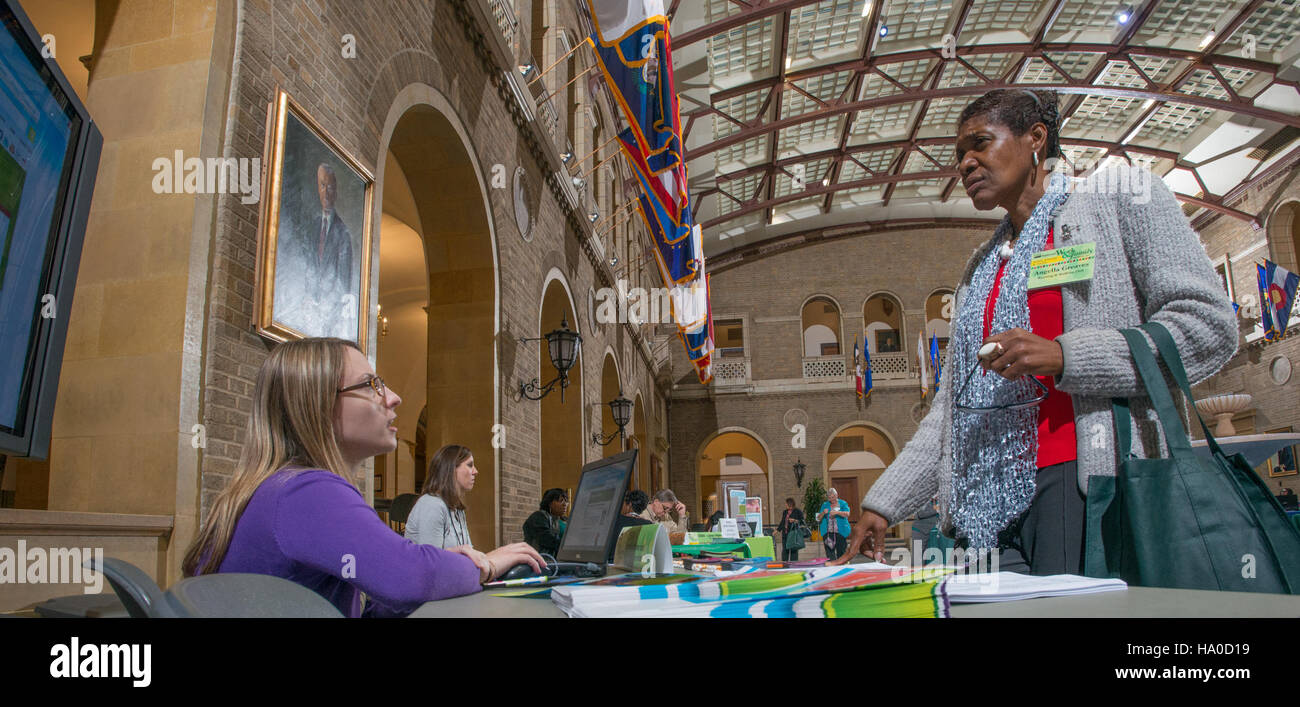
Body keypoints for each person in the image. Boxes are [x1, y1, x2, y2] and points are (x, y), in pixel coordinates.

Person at [832, 89, 1236, 574]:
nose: (965, 164)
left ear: (1036, 139)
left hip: (1084, 481)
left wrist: (1066, 357)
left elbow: (1208, 325)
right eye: (959, 155)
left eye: (980, 144)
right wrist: (885, 502)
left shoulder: (1119, 199)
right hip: (983, 503)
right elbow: (953, 410)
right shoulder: (980, 268)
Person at [181, 338, 543, 617]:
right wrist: (486, 565)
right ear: (319, 404)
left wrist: (442, 567)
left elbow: (376, 589)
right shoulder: (307, 491)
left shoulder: (277, 487)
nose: (394, 397)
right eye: (371, 385)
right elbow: (408, 577)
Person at [404, 444, 477, 549]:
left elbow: (469, 551)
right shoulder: (432, 504)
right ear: (451, 468)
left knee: (509, 550)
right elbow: (431, 560)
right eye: (470, 465)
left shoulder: (457, 509)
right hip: (435, 565)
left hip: (459, 565)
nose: (475, 471)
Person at [524, 488, 568, 556]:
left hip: (563, 559)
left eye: (566, 501)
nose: (565, 504)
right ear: (549, 503)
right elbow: (547, 540)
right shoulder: (539, 516)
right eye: (560, 500)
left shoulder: (566, 520)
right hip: (542, 561)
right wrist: (569, 546)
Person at [817, 488, 851, 560]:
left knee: (841, 554)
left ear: (836, 495)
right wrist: (823, 513)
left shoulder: (842, 503)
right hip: (828, 533)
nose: (831, 499)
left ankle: (841, 568)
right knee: (830, 555)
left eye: (833, 497)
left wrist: (837, 512)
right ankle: (832, 568)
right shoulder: (825, 505)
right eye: (829, 498)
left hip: (841, 532)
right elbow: (818, 518)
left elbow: (847, 514)